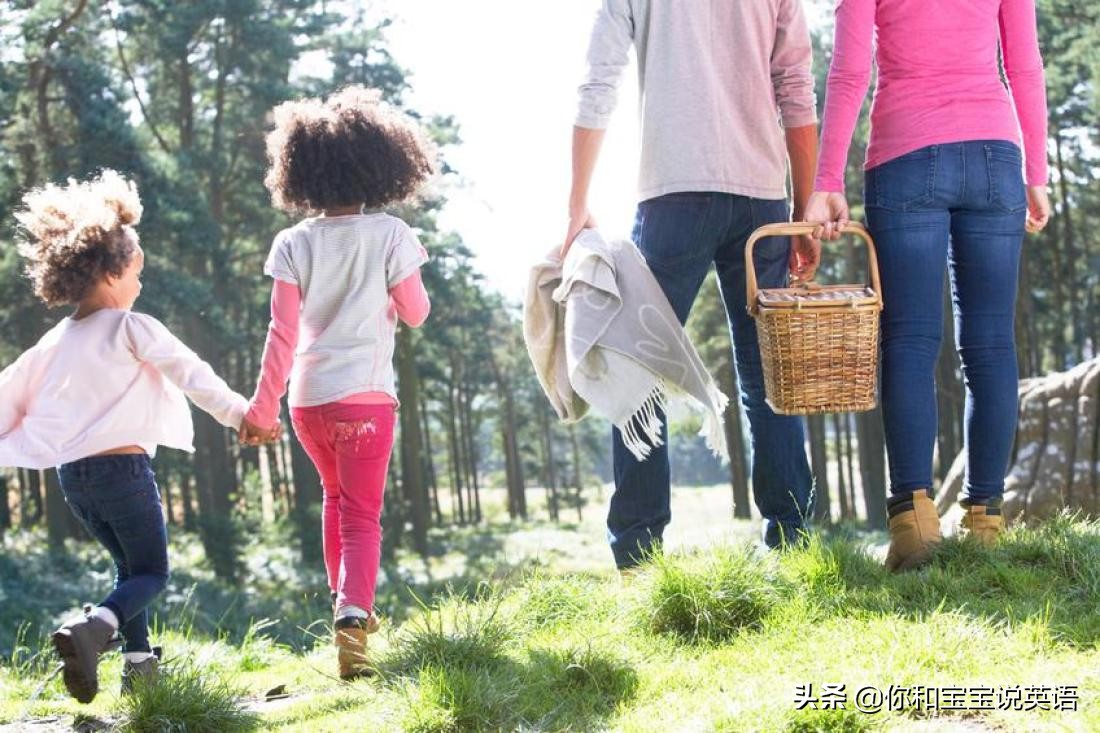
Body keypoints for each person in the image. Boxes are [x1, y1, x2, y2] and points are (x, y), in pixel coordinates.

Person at [566, 0, 821, 567]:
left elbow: (598, 81)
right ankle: (792, 542)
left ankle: (639, 555)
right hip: (762, 198)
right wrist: (803, 209)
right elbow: (796, 87)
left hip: (673, 195)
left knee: (638, 371)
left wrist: (577, 204)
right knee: (768, 373)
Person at [805, 0, 1052, 571]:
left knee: (911, 341)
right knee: (991, 344)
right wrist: (1035, 172)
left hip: (906, 153)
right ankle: (984, 522)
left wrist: (827, 180)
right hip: (995, 157)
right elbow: (1025, 64)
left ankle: (913, 529)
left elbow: (849, 69)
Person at [0, 170, 264, 702]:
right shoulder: (131, 326)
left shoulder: (52, 342)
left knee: (127, 568)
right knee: (152, 572)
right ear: (110, 273)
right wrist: (242, 415)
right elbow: (193, 374)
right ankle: (92, 630)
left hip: (74, 481)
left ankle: (138, 667)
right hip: (123, 472)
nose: (140, 286)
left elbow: (8, 393)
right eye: (137, 274)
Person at [243, 86, 433, 679]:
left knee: (335, 499)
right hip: (365, 401)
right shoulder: (391, 234)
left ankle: (346, 604)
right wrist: (399, 279)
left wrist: (262, 408)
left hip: (308, 403)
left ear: (301, 173)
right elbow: (417, 312)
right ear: (381, 164)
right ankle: (354, 616)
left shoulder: (292, 242)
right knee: (362, 515)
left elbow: (281, 333)